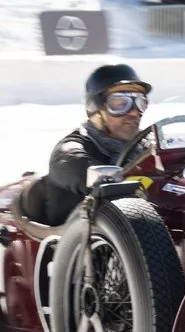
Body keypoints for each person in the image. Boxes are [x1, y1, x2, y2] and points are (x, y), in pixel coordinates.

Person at [24, 63, 153, 225]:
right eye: (121, 103)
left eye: (141, 103)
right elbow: (72, 161)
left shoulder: (147, 145)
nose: (134, 112)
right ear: (95, 110)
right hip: (81, 245)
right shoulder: (71, 151)